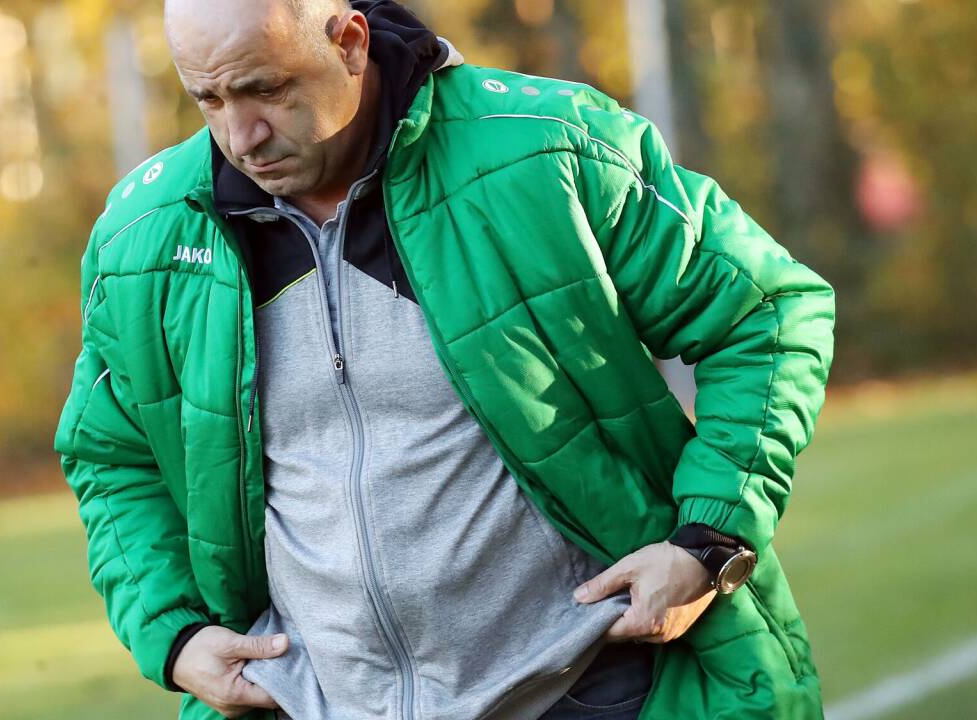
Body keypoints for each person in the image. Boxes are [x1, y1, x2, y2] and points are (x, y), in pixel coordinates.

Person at [53, 1, 836, 718]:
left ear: (350, 42)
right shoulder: (144, 236)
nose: (241, 136)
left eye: (265, 90)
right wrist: (177, 635)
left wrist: (707, 544)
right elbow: (109, 454)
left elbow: (766, 312)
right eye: (209, 100)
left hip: (591, 688)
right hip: (315, 702)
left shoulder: (545, 150)